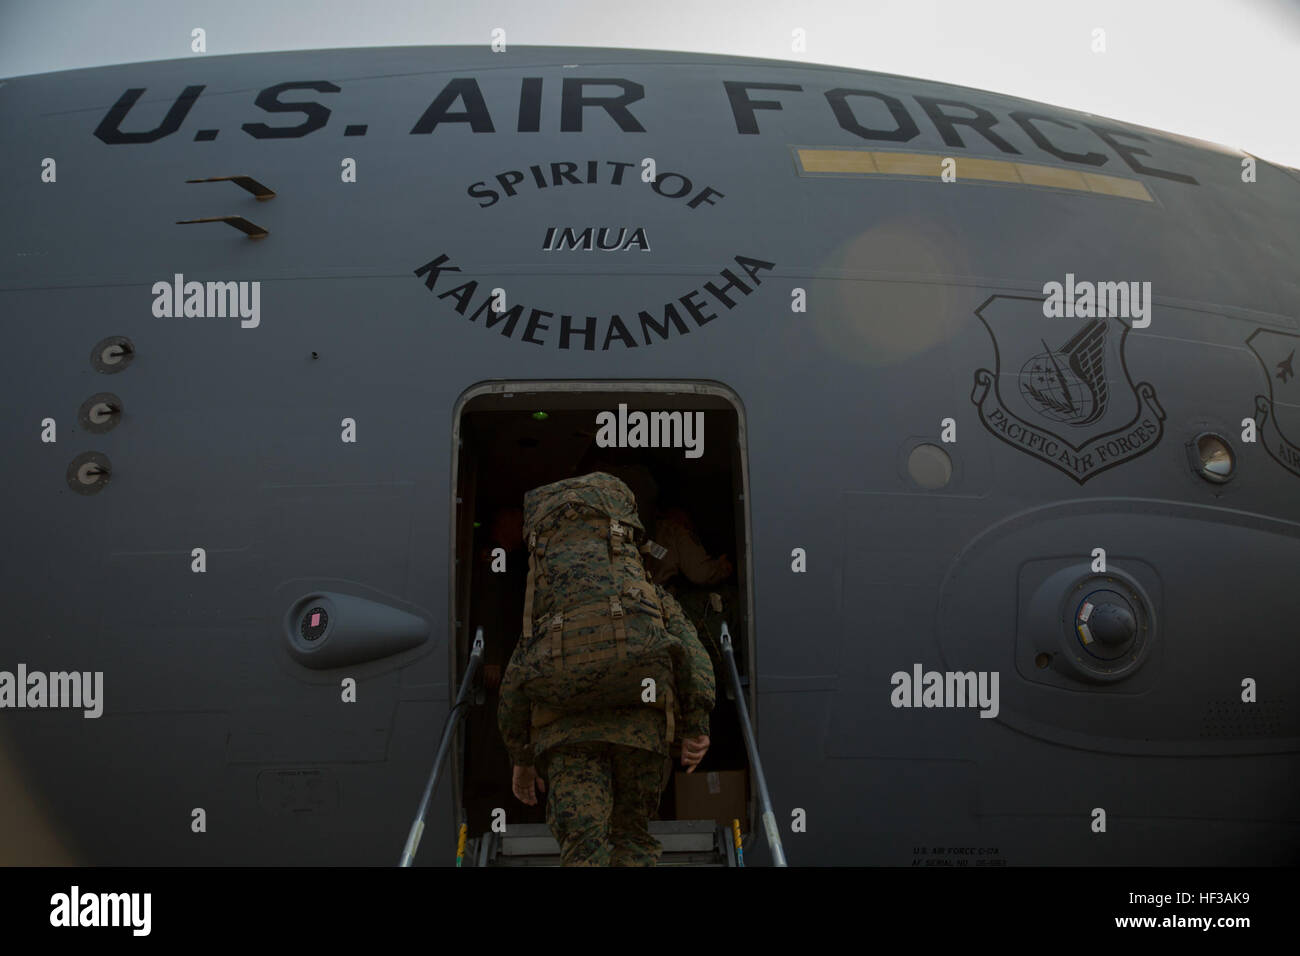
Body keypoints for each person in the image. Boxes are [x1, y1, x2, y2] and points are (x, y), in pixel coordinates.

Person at [497, 583, 716, 866]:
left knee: (583, 846)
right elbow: (691, 651)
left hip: (568, 737)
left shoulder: (549, 594)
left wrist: (522, 758)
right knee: (631, 839)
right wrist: (696, 725)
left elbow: (515, 680)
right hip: (638, 734)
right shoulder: (650, 591)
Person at [647, 506, 734, 588]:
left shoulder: (657, 534)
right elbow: (699, 573)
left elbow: (664, 559)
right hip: (654, 591)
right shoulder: (676, 531)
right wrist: (721, 567)